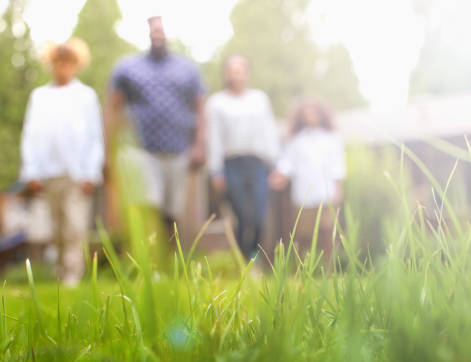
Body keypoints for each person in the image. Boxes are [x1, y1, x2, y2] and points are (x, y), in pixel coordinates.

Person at [105, 16, 206, 232]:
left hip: (178, 151)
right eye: (154, 30)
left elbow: (200, 109)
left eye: (162, 30)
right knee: (149, 205)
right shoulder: (127, 68)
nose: (158, 34)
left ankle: (168, 261)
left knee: (171, 212)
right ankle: (147, 259)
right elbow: (113, 108)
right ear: (148, 33)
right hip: (141, 150)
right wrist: (109, 151)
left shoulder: (188, 69)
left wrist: (198, 145)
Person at [20, 38, 104, 286]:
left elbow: (94, 137)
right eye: (58, 63)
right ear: (51, 64)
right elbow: (31, 135)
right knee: (55, 228)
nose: (63, 68)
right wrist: (31, 171)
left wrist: (91, 172)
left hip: (76, 173)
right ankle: (60, 272)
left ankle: (72, 276)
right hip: (48, 173)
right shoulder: (40, 97)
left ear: (76, 65)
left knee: (74, 226)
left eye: (68, 63)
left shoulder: (86, 96)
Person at [207, 55, 280, 259]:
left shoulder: (259, 99)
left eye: (240, 70)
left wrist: (276, 165)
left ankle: (252, 256)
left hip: (258, 164)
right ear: (226, 74)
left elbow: (269, 132)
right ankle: (242, 261)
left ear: (247, 73)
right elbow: (214, 137)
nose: (236, 74)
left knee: (258, 216)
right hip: (231, 165)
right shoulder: (216, 103)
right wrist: (216, 170)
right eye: (232, 70)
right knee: (242, 215)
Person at [269, 98, 346, 263]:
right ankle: (302, 269)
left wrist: (338, 188)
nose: (310, 116)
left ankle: (329, 269)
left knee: (327, 231)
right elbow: (287, 163)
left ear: (321, 114)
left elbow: (338, 165)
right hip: (303, 194)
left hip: (327, 193)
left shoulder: (332, 138)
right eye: (306, 113)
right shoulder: (296, 140)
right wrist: (279, 176)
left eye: (314, 112)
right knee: (303, 234)